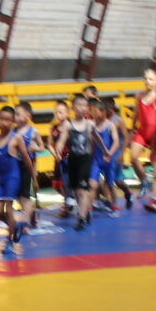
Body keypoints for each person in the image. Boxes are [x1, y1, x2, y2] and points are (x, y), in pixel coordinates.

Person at [0, 105, 30, 249]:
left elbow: (26, 159)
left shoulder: (16, 138)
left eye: (8, 120)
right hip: (0, 179)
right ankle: (14, 226)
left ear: (13, 122)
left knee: (9, 208)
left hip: (13, 177)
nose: (4, 123)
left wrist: (34, 178)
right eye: (2, 119)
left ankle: (9, 241)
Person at [57, 95, 98, 229]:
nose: (82, 108)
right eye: (79, 105)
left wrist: (105, 151)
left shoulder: (89, 124)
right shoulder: (68, 125)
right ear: (73, 108)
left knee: (82, 190)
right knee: (75, 190)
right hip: (73, 159)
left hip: (85, 159)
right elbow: (62, 140)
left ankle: (81, 218)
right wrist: (58, 148)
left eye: (85, 105)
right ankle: (85, 212)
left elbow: (97, 138)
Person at [130, 67, 156, 193]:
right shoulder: (139, 95)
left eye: (151, 79)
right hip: (142, 132)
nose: (148, 81)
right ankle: (144, 181)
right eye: (146, 79)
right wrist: (133, 126)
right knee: (133, 158)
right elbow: (136, 112)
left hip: (155, 134)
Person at [14, 102, 43, 228]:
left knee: (24, 194)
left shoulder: (33, 131)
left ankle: (24, 222)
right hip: (15, 165)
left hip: (27, 165)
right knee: (17, 195)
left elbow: (42, 147)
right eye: (15, 114)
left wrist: (35, 148)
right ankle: (31, 212)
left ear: (28, 116)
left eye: (18, 114)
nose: (15, 117)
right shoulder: (13, 131)